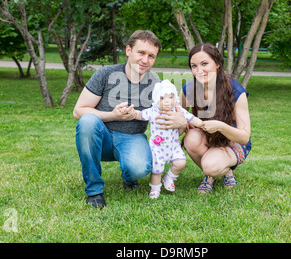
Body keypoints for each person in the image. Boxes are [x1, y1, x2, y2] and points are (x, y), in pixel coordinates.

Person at [73, 30, 163, 208]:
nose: (145, 60)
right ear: (128, 50)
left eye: (151, 56)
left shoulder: (155, 83)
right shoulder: (105, 74)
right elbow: (78, 111)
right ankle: (94, 190)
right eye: (141, 53)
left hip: (132, 137)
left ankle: (129, 177)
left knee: (138, 168)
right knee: (87, 121)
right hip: (101, 137)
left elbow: (161, 113)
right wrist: (113, 115)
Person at [180, 43, 251, 193]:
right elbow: (181, 122)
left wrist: (220, 126)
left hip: (233, 141)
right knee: (191, 138)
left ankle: (213, 173)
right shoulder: (189, 89)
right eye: (194, 66)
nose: (199, 71)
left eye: (204, 64)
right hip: (207, 137)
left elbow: (244, 137)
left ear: (217, 63)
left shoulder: (235, 90)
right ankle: (221, 173)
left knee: (211, 166)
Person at [133, 80, 203, 199]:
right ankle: (155, 188)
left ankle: (169, 177)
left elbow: (190, 118)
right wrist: (131, 113)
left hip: (173, 145)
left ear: (175, 98)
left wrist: (202, 124)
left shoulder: (177, 110)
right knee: (157, 170)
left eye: (170, 97)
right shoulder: (153, 111)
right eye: (162, 98)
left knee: (181, 163)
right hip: (158, 147)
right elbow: (140, 115)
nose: (167, 101)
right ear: (156, 99)